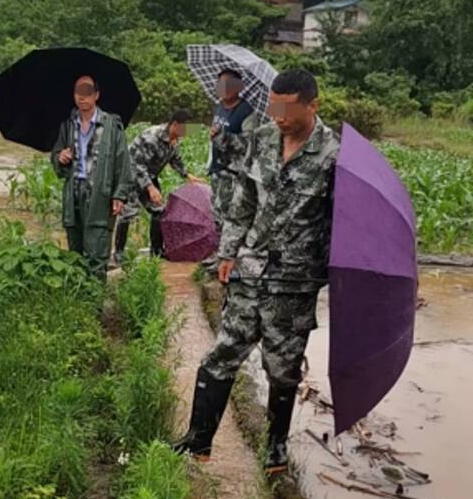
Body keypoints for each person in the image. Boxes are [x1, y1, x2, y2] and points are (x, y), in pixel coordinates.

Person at [173, 68, 338, 474]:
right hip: (249, 270)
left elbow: (343, 224)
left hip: (294, 285)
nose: (278, 117)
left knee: (282, 370)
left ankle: (276, 447)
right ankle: (198, 441)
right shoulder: (262, 139)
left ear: (312, 105)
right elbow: (244, 199)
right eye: (273, 107)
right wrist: (228, 252)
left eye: (287, 109)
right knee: (221, 354)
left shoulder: (334, 154)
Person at [51, 75, 131, 281]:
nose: (82, 98)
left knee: (97, 252)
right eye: (78, 93)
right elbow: (56, 158)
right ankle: (80, 306)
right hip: (74, 193)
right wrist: (60, 157)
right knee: (75, 254)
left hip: (100, 195)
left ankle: (94, 305)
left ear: (96, 95)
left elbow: (122, 162)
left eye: (87, 93)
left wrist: (119, 195)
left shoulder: (112, 126)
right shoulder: (67, 125)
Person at [113, 110, 199, 262]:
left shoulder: (174, 139)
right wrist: (150, 188)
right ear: (175, 125)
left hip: (149, 176)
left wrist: (186, 175)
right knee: (127, 212)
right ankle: (118, 252)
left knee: (160, 210)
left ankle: (157, 251)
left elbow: (175, 159)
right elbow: (136, 165)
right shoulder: (152, 137)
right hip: (130, 175)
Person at [208, 69, 255, 233]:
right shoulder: (219, 106)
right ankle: (218, 252)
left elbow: (247, 144)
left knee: (231, 216)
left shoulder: (246, 111)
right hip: (217, 168)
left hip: (234, 172)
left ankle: (227, 255)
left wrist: (222, 136)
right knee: (216, 213)